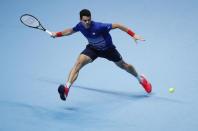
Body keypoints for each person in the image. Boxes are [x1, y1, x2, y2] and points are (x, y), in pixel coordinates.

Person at [51, 9, 152, 101]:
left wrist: (133, 34)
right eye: (84, 20)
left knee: (124, 66)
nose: (87, 22)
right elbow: (70, 31)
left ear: (91, 18)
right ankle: (66, 89)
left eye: (88, 20)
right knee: (78, 63)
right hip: (93, 49)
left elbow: (118, 25)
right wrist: (57, 34)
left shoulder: (99, 27)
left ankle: (141, 79)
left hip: (108, 50)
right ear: (80, 20)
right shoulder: (80, 26)